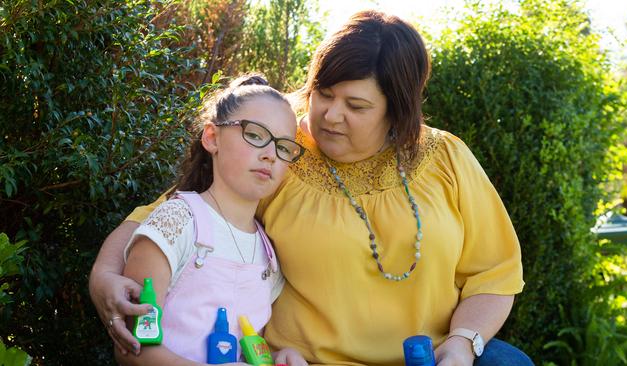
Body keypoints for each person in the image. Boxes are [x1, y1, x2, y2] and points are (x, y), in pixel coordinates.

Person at [90, 10, 533, 366]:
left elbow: (493, 273)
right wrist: (104, 277)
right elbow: (165, 218)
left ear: (397, 112)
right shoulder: (281, 150)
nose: (330, 115)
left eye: (356, 105)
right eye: (323, 92)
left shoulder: (445, 158)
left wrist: (462, 342)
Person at [111, 74, 307, 366]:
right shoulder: (176, 222)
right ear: (212, 137)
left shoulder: (268, 253)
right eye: (255, 135)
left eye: (284, 147)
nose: (270, 156)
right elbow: (131, 348)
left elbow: (243, 350)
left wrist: (278, 357)